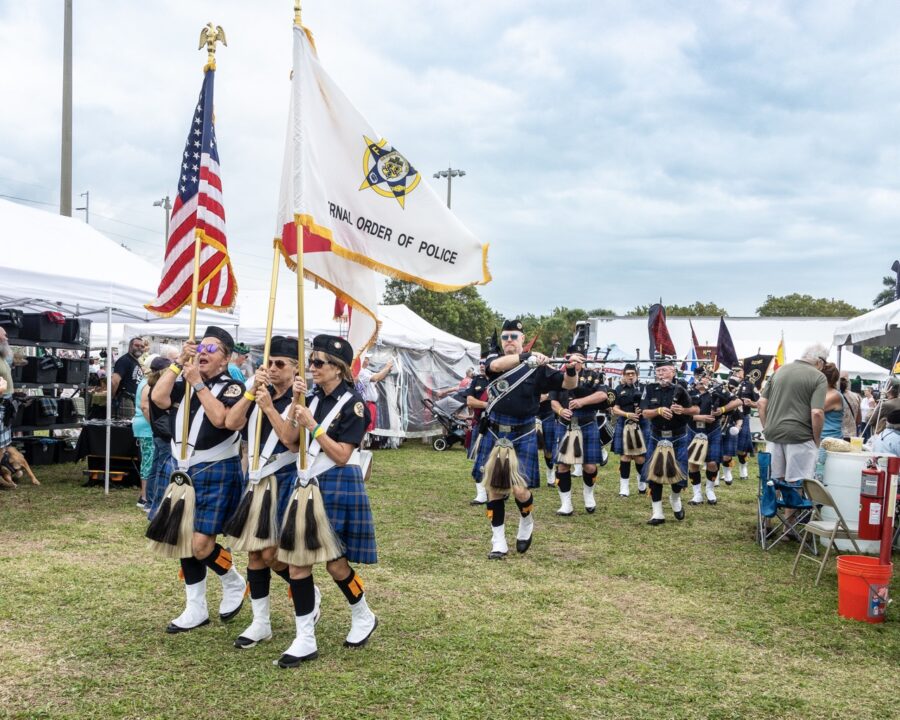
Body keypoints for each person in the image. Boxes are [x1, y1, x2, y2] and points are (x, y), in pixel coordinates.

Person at [275, 334, 377, 667]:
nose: (312, 368)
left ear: (339, 369)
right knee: (297, 562)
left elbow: (343, 455)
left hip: (336, 480)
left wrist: (314, 426)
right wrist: (293, 405)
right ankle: (305, 637)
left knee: (336, 564)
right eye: (312, 361)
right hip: (305, 483)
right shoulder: (311, 398)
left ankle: (362, 613)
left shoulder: (353, 405)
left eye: (319, 363)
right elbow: (291, 443)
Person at [149, 326, 247, 634]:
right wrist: (179, 363)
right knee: (183, 540)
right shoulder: (186, 380)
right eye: (200, 348)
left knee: (201, 545)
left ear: (226, 358)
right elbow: (158, 396)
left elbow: (222, 420)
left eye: (211, 349)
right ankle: (196, 608)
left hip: (216, 468)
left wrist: (197, 383)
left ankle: (233, 581)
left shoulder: (232, 386)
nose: (203, 353)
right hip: (183, 470)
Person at [472, 319, 580, 559]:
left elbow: (568, 384)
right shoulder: (493, 361)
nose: (509, 341)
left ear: (522, 339)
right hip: (495, 431)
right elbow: (498, 365)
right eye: (505, 337)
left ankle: (526, 520)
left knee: (520, 490)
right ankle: (497, 540)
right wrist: (526, 358)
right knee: (495, 489)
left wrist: (571, 368)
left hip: (523, 432)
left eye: (514, 337)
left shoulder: (539, 368)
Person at [224, 336, 303, 650]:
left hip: (284, 475)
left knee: (271, 553)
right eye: (269, 362)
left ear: (295, 368)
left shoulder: (299, 398)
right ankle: (261, 622)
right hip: (257, 477)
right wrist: (249, 393)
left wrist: (269, 407)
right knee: (255, 553)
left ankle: (305, 588)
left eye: (280, 364)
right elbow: (231, 422)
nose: (272, 368)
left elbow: (291, 440)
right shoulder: (259, 392)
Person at [550, 344, 610, 515]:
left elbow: (603, 395)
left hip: (586, 423)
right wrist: (561, 410)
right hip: (565, 424)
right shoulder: (559, 377)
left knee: (589, 466)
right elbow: (553, 401)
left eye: (577, 358)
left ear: (583, 361)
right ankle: (566, 504)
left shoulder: (594, 376)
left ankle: (588, 495)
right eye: (571, 357)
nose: (574, 361)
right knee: (562, 466)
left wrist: (582, 402)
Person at [757, 344, 827, 486]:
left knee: (774, 481)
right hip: (800, 436)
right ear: (820, 361)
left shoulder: (779, 370)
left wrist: (767, 428)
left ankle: (772, 507)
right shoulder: (819, 377)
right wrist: (817, 440)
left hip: (774, 433)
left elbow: (761, 403)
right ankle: (791, 509)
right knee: (797, 482)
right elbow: (817, 412)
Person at [640, 360, 698, 525]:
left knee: (677, 475)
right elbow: (644, 413)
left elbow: (696, 410)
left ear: (673, 372)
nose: (660, 374)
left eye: (664, 370)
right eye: (658, 371)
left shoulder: (681, 389)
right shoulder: (650, 389)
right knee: (654, 475)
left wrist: (684, 410)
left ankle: (675, 499)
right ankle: (657, 513)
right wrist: (657, 411)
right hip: (656, 436)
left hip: (678, 436)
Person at [686, 367, 740, 506]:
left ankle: (710, 490)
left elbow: (737, 402)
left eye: (707, 376)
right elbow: (679, 411)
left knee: (711, 463)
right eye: (701, 376)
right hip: (693, 429)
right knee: (693, 463)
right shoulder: (688, 391)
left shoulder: (717, 391)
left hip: (712, 430)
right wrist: (699, 417)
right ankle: (697, 494)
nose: (704, 379)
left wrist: (722, 410)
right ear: (695, 377)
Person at [610, 363, 648, 497]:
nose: (630, 376)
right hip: (624, 422)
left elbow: (650, 405)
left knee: (640, 457)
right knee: (625, 456)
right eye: (628, 374)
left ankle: (642, 484)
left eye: (633, 374)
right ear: (623, 375)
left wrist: (643, 410)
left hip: (642, 423)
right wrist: (627, 414)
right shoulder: (618, 389)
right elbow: (614, 408)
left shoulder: (644, 388)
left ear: (637, 375)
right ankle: (624, 488)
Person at [145, 356, 173, 516]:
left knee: (156, 468)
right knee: (162, 469)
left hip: (158, 432)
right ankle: (157, 501)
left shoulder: (153, 386)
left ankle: (150, 501)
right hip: (164, 434)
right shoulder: (159, 388)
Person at [720, 366, 758, 483]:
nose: (736, 373)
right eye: (734, 371)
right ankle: (727, 472)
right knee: (727, 447)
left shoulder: (750, 385)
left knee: (741, 449)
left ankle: (743, 467)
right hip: (726, 417)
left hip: (743, 417)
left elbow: (759, 402)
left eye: (738, 371)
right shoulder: (725, 384)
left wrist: (751, 403)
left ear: (743, 372)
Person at [465, 359, 490, 504]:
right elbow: (470, 401)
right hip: (480, 423)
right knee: (478, 459)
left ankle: (499, 489)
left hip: (498, 423)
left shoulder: (501, 379)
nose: (482, 365)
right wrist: (488, 404)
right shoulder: (476, 380)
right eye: (480, 362)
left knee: (499, 458)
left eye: (485, 362)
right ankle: (481, 494)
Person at [133, 359, 155, 512]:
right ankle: (144, 497)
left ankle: (146, 496)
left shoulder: (145, 382)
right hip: (147, 427)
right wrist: (156, 426)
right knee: (148, 461)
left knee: (148, 460)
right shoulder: (147, 383)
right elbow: (145, 407)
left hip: (145, 426)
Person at [355, 353, 394, 441]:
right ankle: (358, 451)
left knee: (365, 430)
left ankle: (360, 450)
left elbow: (379, 377)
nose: (368, 360)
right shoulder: (360, 372)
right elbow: (375, 378)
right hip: (366, 404)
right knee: (362, 430)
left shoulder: (366, 371)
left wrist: (387, 371)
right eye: (367, 358)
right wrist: (386, 367)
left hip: (370, 404)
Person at [111, 337, 146, 420]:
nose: (140, 348)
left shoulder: (135, 361)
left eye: (142, 346)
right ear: (130, 347)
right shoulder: (124, 360)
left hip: (133, 399)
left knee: (130, 427)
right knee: (126, 428)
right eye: (137, 345)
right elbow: (114, 381)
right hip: (125, 399)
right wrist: (111, 398)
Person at [820, 363, 843, 441]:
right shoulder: (823, 393)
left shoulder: (834, 396)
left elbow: (812, 409)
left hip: (830, 440)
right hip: (823, 438)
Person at [839, 371, 861, 441]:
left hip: (837, 434)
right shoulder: (856, 396)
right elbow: (858, 420)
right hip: (852, 435)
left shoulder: (834, 395)